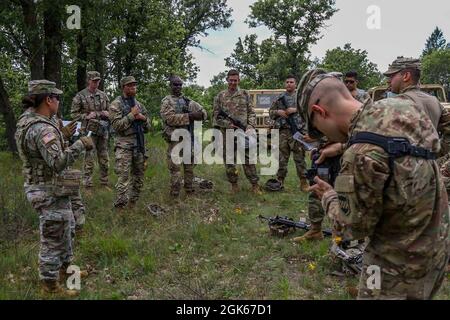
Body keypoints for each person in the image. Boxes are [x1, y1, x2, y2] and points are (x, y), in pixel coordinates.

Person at [298, 68, 449, 299]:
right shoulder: (403, 108)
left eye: (318, 130)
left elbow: (352, 228)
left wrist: (328, 197)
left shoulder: (359, 156)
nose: (324, 136)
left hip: (392, 270)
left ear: (319, 111)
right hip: (435, 252)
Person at [15, 80, 93, 295]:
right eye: (57, 97)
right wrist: (80, 144)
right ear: (48, 100)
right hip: (46, 189)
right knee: (53, 235)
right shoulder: (41, 128)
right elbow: (57, 162)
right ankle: (49, 284)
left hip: (50, 186)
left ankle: (66, 270)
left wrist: (64, 136)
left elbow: (40, 152)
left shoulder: (28, 121)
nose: (59, 101)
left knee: (66, 226)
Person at [213, 69, 261, 194]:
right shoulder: (220, 96)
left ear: (239, 80)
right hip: (228, 133)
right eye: (231, 80)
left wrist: (250, 125)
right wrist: (228, 124)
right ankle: (234, 185)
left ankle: (254, 185)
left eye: (235, 80)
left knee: (248, 159)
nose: (233, 82)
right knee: (229, 160)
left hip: (244, 132)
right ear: (227, 80)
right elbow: (216, 117)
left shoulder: (245, 94)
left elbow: (251, 112)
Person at [160, 76, 207, 197]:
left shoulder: (187, 101)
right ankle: (175, 194)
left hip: (187, 138)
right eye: (175, 85)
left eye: (180, 85)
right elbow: (170, 119)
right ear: (170, 85)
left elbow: (203, 112)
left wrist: (200, 115)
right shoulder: (167, 101)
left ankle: (189, 191)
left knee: (189, 167)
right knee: (175, 169)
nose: (178, 87)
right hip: (175, 139)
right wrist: (190, 116)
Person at [109, 76, 151, 209]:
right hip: (124, 145)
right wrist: (132, 116)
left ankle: (133, 204)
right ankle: (121, 207)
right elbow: (116, 126)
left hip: (139, 144)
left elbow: (149, 128)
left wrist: (143, 118)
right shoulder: (116, 104)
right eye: (130, 85)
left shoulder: (139, 105)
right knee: (123, 177)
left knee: (138, 176)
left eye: (134, 85)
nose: (133, 87)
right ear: (123, 88)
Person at [269, 75, 309, 191]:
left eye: (291, 82)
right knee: (282, 158)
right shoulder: (279, 98)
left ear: (296, 84)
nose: (289, 84)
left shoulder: (301, 98)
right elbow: (271, 113)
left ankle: (303, 182)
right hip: (283, 132)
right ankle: (280, 182)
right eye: (287, 82)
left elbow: (308, 110)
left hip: (297, 131)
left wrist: (295, 109)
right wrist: (278, 112)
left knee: (299, 158)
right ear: (284, 84)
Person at [71, 71, 110, 189]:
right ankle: (87, 185)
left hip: (102, 131)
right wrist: (86, 116)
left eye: (98, 81)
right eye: (94, 81)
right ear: (89, 81)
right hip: (88, 131)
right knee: (89, 158)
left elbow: (111, 112)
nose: (96, 83)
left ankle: (104, 183)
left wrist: (105, 114)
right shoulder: (80, 96)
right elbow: (73, 114)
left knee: (104, 158)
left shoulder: (103, 95)